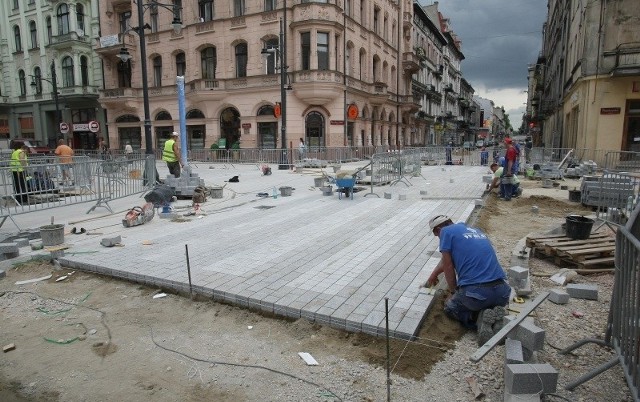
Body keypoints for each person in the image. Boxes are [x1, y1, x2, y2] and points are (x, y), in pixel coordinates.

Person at [425, 215, 510, 345]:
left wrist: (453, 292)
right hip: (502, 293)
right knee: (487, 299)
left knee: (450, 307)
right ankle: (495, 319)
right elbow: (448, 261)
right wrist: (434, 274)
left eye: (435, 234)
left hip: (477, 295)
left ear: (438, 229)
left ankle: (477, 319)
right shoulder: (475, 231)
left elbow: (448, 266)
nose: (437, 237)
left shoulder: (445, 233)